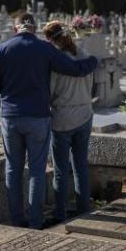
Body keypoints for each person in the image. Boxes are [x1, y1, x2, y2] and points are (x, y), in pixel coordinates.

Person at [0, 13, 98, 229]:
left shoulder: (3, 49)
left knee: (13, 169)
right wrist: (93, 61)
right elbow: (74, 69)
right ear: (34, 28)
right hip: (37, 116)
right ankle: (36, 222)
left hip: (10, 116)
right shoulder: (45, 48)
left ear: (15, 27)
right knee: (37, 171)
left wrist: (11, 89)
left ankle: (17, 220)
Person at [42, 21, 94, 222]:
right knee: (81, 165)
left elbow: (51, 91)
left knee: (61, 170)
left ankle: (61, 212)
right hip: (85, 115)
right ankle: (83, 209)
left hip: (62, 118)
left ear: (50, 40)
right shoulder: (84, 55)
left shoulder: (57, 63)